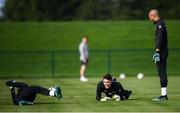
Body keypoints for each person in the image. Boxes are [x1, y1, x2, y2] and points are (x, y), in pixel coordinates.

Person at [148, 9, 168, 101]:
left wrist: (157, 51)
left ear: (153, 15)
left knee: (162, 72)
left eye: (150, 17)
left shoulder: (160, 24)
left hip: (161, 52)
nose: (149, 19)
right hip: (162, 51)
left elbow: (160, 38)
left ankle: (164, 96)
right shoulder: (160, 23)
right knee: (161, 73)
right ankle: (163, 95)